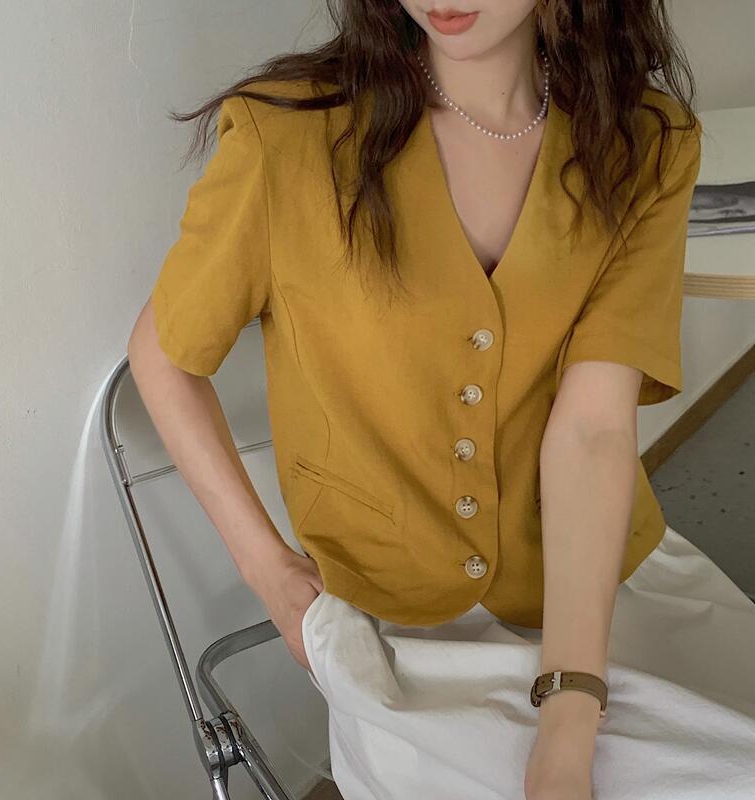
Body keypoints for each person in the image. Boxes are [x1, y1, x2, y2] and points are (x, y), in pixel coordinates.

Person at [126, 2, 755, 798]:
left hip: (592, 579)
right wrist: (271, 573)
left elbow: (594, 428)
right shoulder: (285, 136)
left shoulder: (643, 142)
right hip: (392, 621)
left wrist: (570, 707)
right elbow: (163, 356)